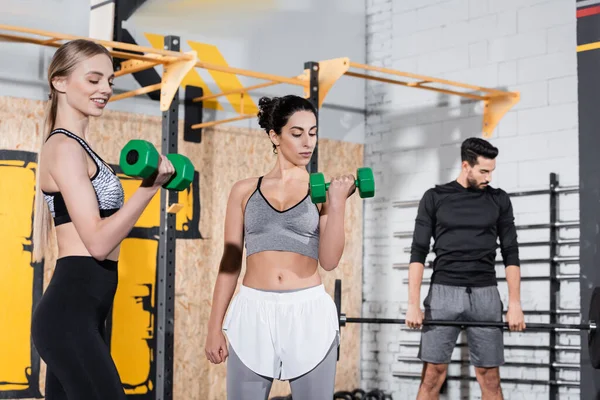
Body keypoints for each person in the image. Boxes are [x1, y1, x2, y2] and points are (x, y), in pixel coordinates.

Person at [30, 39, 174, 400]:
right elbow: (96, 241)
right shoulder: (63, 148)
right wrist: (148, 189)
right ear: (60, 82)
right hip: (69, 315)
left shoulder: (79, 147)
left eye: (110, 81)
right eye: (93, 80)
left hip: (87, 311)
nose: (105, 90)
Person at [204, 94, 355, 400]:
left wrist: (337, 204)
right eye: (297, 134)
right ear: (274, 135)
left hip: (308, 311)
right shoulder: (244, 190)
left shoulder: (323, 190)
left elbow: (328, 260)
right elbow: (230, 262)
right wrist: (214, 326)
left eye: (312, 133)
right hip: (252, 311)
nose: (307, 142)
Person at [406, 137, 525, 400]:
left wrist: (515, 303)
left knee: (490, 379)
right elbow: (418, 252)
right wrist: (413, 303)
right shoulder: (435, 197)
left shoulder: (499, 200)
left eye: (491, 171)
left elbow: (511, 253)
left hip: (485, 295)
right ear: (465, 166)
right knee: (432, 376)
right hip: (443, 293)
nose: (488, 177)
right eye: (483, 171)